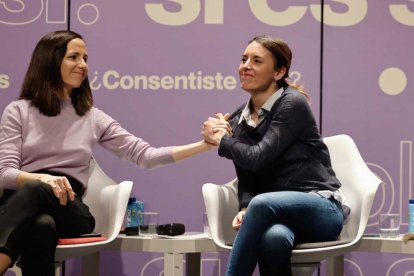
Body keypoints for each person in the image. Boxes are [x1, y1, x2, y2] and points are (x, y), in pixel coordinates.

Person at [0, 30, 213, 276]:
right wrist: (43, 179)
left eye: (85, 58)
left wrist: (204, 145)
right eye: (74, 57)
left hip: (70, 209)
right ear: (49, 60)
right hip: (24, 202)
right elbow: (5, 174)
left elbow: (145, 155)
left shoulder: (92, 117)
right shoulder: (18, 111)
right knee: (41, 225)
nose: (83, 65)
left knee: (37, 193)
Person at [202, 35, 349, 276]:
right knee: (274, 238)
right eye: (244, 59)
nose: (246, 66)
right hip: (278, 217)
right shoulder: (240, 117)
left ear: (279, 73)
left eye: (257, 61)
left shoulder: (292, 103)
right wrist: (245, 207)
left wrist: (223, 140)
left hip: (322, 208)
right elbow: (248, 175)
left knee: (262, 203)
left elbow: (257, 157)